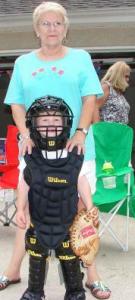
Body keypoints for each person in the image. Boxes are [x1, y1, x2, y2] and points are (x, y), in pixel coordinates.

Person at [1, 2, 111, 299]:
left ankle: (91, 275)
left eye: (58, 23)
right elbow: (16, 104)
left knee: (79, 213)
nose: (52, 28)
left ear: (66, 28)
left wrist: (80, 131)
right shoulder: (24, 62)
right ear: (36, 30)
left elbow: (90, 99)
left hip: (76, 146)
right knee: (32, 207)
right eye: (46, 24)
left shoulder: (81, 58)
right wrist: (25, 134)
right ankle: (12, 270)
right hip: (36, 149)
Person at [16, 95, 94, 300]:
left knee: (70, 258)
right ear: (34, 125)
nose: (50, 125)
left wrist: (90, 206)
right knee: (36, 255)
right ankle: (34, 291)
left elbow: (81, 180)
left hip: (67, 222)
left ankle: (75, 291)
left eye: (56, 120)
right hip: (39, 221)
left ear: (65, 124)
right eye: (44, 121)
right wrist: (20, 207)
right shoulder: (30, 154)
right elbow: (24, 182)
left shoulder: (74, 152)